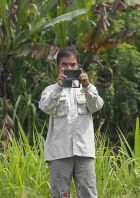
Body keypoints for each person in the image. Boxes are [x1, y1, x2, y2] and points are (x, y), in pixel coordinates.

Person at [39, 47, 104, 198]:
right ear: (58, 67)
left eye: (73, 65)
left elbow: (97, 106)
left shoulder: (86, 88)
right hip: (59, 152)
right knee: (60, 195)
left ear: (78, 66)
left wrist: (87, 85)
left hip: (84, 151)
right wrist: (59, 87)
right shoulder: (50, 90)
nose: (69, 68)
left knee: (88, 194)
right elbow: (45, 107)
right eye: (64, 64)